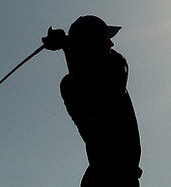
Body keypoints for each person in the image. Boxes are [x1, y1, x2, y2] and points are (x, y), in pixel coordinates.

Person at [41, 15, 142, 185]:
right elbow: (89, 87)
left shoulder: (116, 66)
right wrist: (68, 44)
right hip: (110, 176)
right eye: (105, 40)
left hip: (113, 175)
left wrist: (68, 44)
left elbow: (92, 80)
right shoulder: (71, 86)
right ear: (92, 44)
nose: (111, 44)